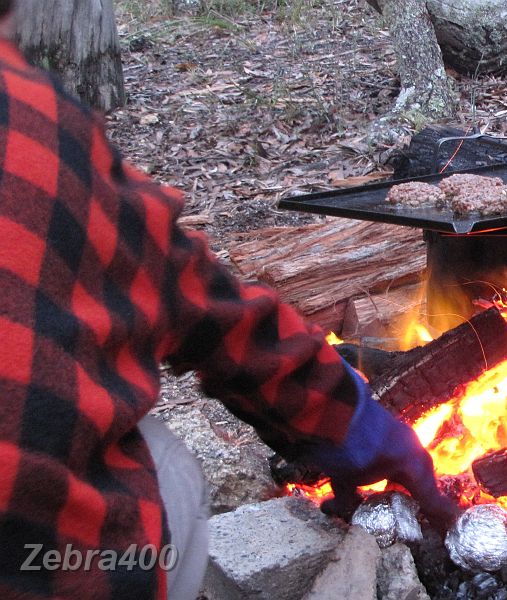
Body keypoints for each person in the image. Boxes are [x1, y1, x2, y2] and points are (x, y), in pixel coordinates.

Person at [0, 1, 457, 598]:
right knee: (167, 464)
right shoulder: (32, 125)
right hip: (52, 568)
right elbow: (201, 304)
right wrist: (352, 421)